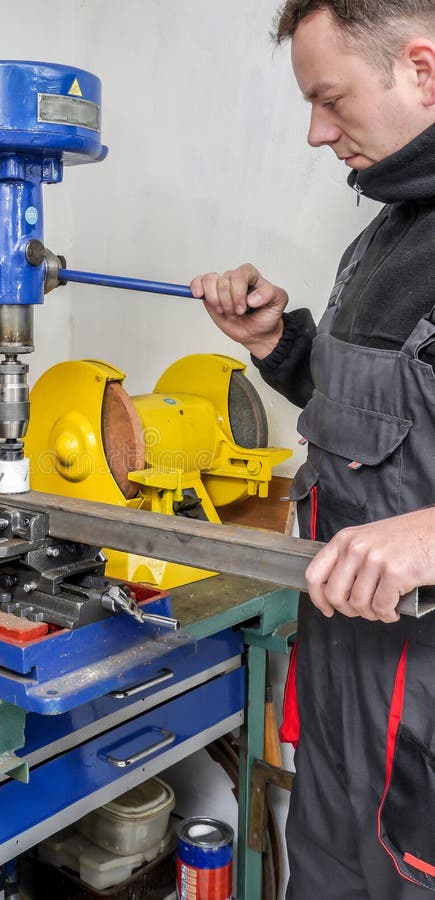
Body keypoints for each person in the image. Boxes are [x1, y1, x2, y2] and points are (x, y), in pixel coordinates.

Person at [190, 2, 435, 898]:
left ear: (421, 68)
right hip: (347, 691)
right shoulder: (388, 230)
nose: (313, 132)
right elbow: (377, 420)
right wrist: (274, 344)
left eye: (329, 99)